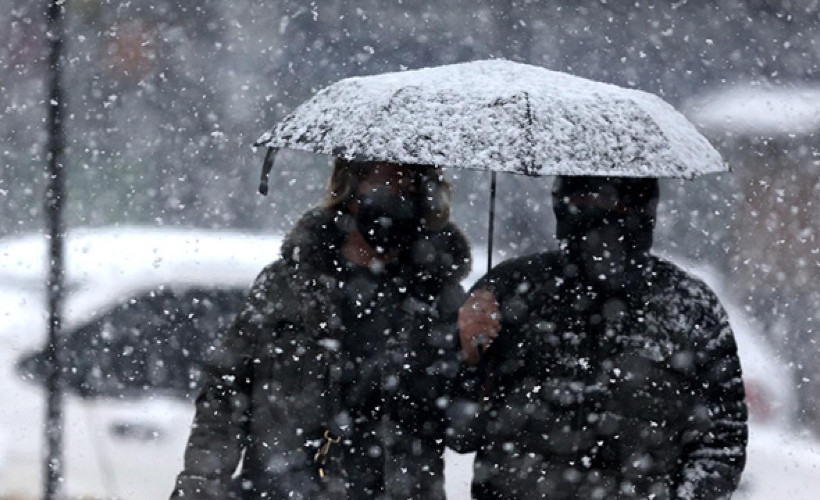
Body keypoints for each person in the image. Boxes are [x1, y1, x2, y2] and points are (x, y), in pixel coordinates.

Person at [171, 159, 471, 499]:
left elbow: (465, 432)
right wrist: (200, 486)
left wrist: (475, 358)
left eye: (411, 190)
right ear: (349, 189)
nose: (399, 200)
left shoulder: (440, 301)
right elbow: (225, 395)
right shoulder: (287, 286)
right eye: (387, 186)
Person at [448, 176, 748, 499]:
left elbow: (721, 444)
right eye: (584, 200)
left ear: (643, 207)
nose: (600, 216)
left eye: (617, 202)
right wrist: (466, 355)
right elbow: (458, 434)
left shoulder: (690, 308)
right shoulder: (510, 292)